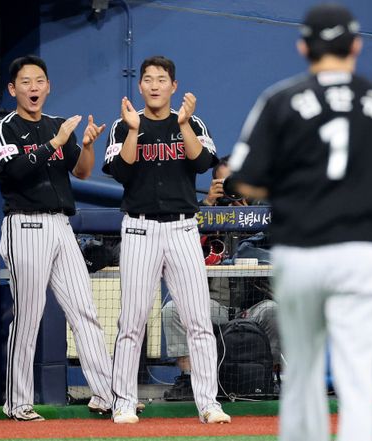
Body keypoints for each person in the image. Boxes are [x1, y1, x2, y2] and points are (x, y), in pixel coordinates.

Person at [229, 4, 372, 441]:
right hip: (363, 251)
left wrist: (297, 187)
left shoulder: (281, 99)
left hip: (301, 252)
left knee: (302, 372)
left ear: (303, 47)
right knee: (359, 377)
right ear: (356, 45)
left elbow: (242, 178)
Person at [102, 55, 230, 424]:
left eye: (161, 79)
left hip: (182, 228)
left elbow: (202, 163)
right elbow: (121, 171)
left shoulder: (192, 121)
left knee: (198, 320)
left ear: (173, 86)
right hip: (139, 228)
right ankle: (123, 403)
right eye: (148, 79)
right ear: (140, 85)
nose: (155, 85)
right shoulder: (123, 124)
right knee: (132, 322)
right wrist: (133, 131)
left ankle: (209, 404)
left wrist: (184, 123)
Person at [0, 55, 114, 422]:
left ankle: (106, 395)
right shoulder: (5, 128)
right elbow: (14, 172)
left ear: (48, 86)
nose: (33, 87)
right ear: (13, 89)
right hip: (24, 224)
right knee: (28, 316)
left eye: (39, 81)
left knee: (84, 310)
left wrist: (86, 144)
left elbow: (82, 171)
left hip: (61, 225)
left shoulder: (58, 124)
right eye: (25, 82)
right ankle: (17, 402)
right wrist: (54, 143)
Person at [161, 158, 280, 400]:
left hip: (253, 306)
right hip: (213, 305)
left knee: (274, 311)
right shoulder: (198, 214)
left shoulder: (263, 214)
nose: (232, 189)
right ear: (215, 184)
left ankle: (271, 378)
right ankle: (188, 379)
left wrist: (248, 213)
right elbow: (178, 245)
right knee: (172, 310)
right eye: (225, 183)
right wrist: (208, 206)